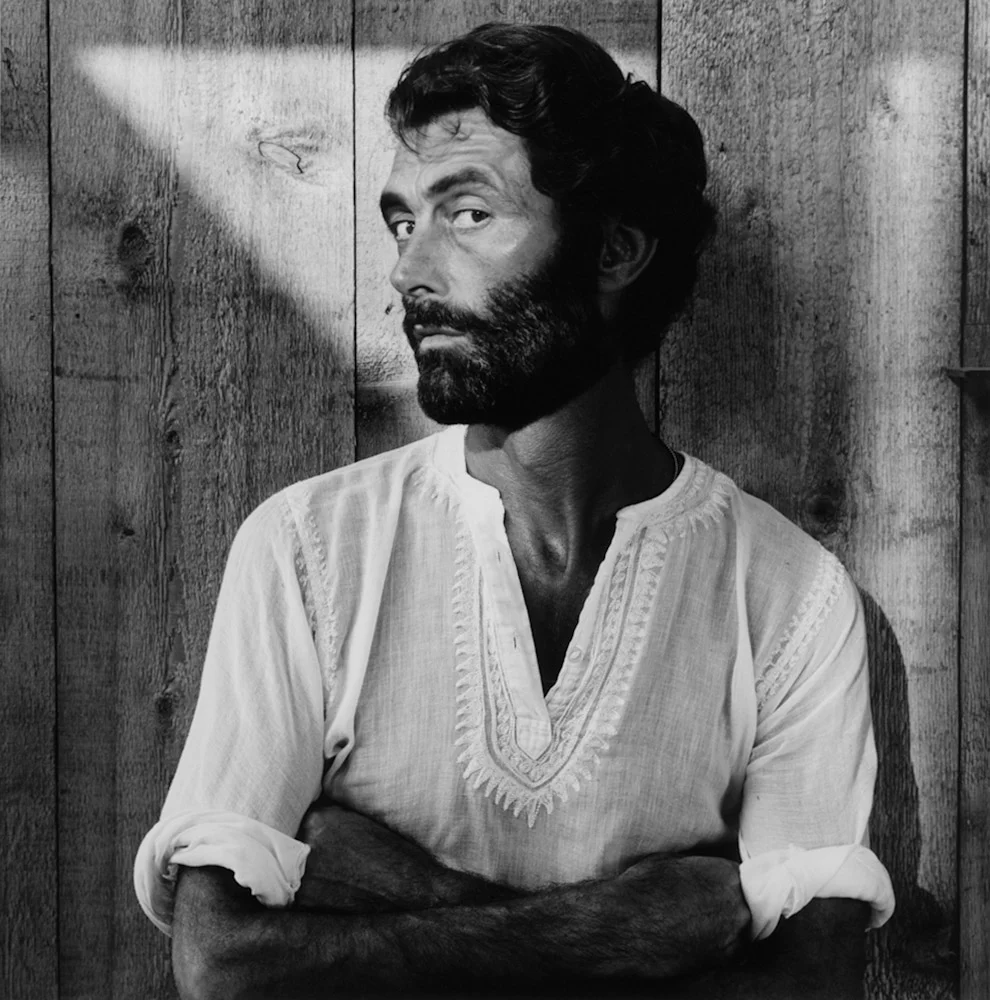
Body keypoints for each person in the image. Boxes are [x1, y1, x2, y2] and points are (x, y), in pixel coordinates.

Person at [134, 22, 895, 999]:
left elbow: (809, 982)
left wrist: (387, 882)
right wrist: (623, 926)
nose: (409, 271)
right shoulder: (311, 549)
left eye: (468, 213)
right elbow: (224, 963)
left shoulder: (789, 593)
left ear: (614, 250)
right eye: (403, 223)